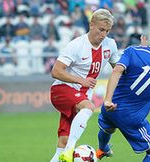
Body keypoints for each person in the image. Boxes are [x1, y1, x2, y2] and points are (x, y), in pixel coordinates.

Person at [96, 18, 150, 162]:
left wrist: (107, 100)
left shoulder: (133, 51)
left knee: (107, 128)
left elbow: (117, 71)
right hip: (131, 117)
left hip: (111, 108)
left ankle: (102, 148)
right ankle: (103, 149)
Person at [49, 9, 120, 162]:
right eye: (101, 30)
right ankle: (70, 151)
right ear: (91, 25)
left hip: (80, 96)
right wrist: (81, 80)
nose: (103, 35)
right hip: (61, 90)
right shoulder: (76, 45)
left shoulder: (110, 45)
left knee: (62, 142)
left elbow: (119, 70)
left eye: (107, 31)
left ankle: (65, 151)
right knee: (89, 107)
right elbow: (55, 71)